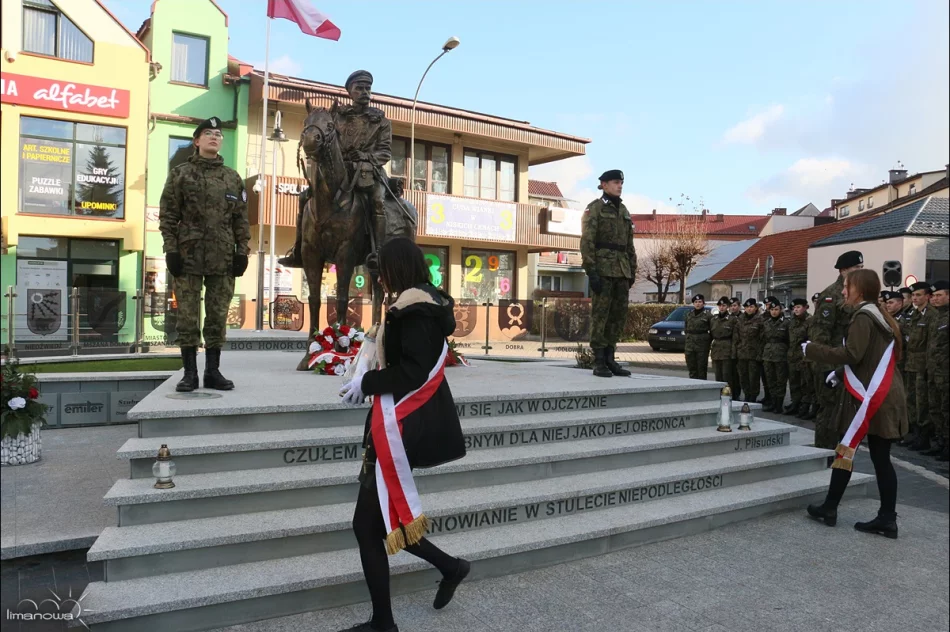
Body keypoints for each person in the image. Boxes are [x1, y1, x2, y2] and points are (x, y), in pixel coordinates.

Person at [338, 238, 469, 632]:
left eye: (383, 268)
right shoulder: (416, 303)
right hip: (400, 418)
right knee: (381, 519)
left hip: (405, 423)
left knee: (367, 525)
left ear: (399, 267)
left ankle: (384, 622)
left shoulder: (415, 311)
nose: (378, 276)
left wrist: (369, 381)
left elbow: (412, 371)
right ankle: (451, 566)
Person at [804, 269, 907, 538]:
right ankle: (886, 518)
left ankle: (831, 507)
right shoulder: (879, 315)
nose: (843, 291)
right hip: (882, 393)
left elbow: (853, 353)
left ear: (859, 289)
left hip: (870, 397)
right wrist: (839, 375)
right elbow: (869, 357)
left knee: (845, 449)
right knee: (878, 458)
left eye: (847, 286)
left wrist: (812, 349)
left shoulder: (863, 316)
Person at [159, 116, 251, 392]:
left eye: (218, 134)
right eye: (208, 133)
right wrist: (171, 249)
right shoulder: (180, 174)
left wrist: (242, 251)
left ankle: (212, 371)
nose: (214, 137)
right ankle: (189, 373)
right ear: (197, 141)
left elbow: (241, 219)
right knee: (187, 315)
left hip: (222, 256)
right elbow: (168, 215)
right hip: (187, 255)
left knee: (217, 315)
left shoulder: (232, 178)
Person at [279, 70, 396, 269]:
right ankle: (299, 248)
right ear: (349, 92)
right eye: (359, 88)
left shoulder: (381, 121)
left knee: (377, 200)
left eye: (367, 88)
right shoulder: (338, 118)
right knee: (304, 198)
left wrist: (367, 157)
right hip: (339, 173)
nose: (364, 92)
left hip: (369, 173)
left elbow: (384, 152)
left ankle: (378, 252)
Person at [581, 169, 637, 378]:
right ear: (604, 185)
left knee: (618, 316)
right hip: (603, 270)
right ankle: (599, 361)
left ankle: (610, 357)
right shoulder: (594, 209)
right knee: (601, 315)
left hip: (621, 270)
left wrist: (632, 271)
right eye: (615, 182)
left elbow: (629, 245)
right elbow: (587, 242)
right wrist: (591, 271)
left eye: (621, 182)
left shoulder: (624, 210)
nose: (620, 186)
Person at [808, 250, 864, 449]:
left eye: (861, 268)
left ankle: (842, 452)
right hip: (831, 363)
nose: (860, 271)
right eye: (856, 268)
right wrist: (826, 365)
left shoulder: (856, 294)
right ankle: (824, 453)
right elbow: (820, 333)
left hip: (847, 362)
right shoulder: (831, 296)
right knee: (830, 410)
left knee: (846, 411)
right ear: (843, 270)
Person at [904, 281, 934, 451]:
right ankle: (916, 434)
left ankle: (924, 437)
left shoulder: (932, 315)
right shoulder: (916, 315)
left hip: (923, 365)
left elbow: (930, 344)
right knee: (912, 400)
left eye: (918, 295)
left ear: (927, 296)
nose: (915, 298)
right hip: (911, 363)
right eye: (913, 295)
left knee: (922, 402)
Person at [926, 280, 949, 461]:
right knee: (935, 408)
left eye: (939, 295)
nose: (935, 299)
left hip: (946, 372)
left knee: (946, 409)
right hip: (934, 371)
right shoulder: (936, 316)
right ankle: (940, 442)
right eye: (933, 296)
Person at [761, 299, 789, 413]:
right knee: (770, 380)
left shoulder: (786, 323)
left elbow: (789, 340)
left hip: (781, 355)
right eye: (772, 309)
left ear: (780, 310)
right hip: (768, 354)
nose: (774, 312)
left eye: (776, 309)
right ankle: (772, 402)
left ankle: (779, 404)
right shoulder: (766, 322)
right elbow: (762, 338)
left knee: (780, 381)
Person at [735, 298, 763, 403]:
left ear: (755, 308)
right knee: (743, 376)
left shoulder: (760, 320)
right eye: (747, 307)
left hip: (754, 354)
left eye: (751, 307)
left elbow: (762, 338)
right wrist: (735, 352)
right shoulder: (740, 319)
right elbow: (736, 337)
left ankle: (753, 396)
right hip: (742, 353)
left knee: (754, 377)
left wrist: (760, 354)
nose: (749, 309)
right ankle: (747, 394)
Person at [786, 298, 810, 416]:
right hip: (792, 355)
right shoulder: (791, 322)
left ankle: (804, 407)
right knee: (793, 382)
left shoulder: (810, 321)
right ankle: (795, 403)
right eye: (794, 308)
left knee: (804, 383)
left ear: (805, 307)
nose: (796, 310)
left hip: (804, 357)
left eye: (798, 307)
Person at [684, 294, 712, 380]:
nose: (698, 304)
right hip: (690, 346)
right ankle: (693, 388)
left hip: (702, 346)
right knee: (692, 369)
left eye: (700, 302)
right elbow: (686, 328)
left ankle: (702, 390)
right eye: (696, 302)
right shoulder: (689, 315)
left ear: (703, 303)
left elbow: (712, 330)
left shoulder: (708, 315)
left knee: (701, 369)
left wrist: (707, 341)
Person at [710, 297, 736, 389]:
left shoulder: (732, 320)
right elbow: (711, 335)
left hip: (727, 349)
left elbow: (735, 337)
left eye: (724, 305)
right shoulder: (714, 319)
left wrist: (733, 353)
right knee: (718, 375)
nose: (722, 307)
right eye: (720, 305)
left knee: (727, 375)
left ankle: (729, 395)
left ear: (728, 307)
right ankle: (719, 394)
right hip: (716, 349)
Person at [728, 298, 743, 399]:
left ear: (739, 306)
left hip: (741, 348)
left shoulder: (743, 317)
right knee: (731, 374)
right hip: (730, 349)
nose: (733, 308)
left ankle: (738, 394)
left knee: (740, 374)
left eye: (735, 305)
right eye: (731, 306)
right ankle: (732, 393)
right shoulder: (728, 318)